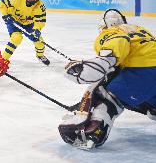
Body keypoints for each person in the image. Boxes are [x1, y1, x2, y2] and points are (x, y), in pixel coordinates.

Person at [58, 9, 156, 150]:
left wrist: (95, 66)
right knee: (136, 90)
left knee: (105, 94)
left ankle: (93, 133)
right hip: (149, 76)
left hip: (145, 71)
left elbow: (115, 47)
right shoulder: (140, 29)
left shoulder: (112, 31)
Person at [0, 0, 49, 68]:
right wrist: (6, 16)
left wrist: (37, 29)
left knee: (39, 41)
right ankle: (3, 60)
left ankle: (40, 55)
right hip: (14, 22)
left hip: (29, 24)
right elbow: (2, 4)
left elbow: (40, 21)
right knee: (16, 38)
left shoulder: (40, 6)